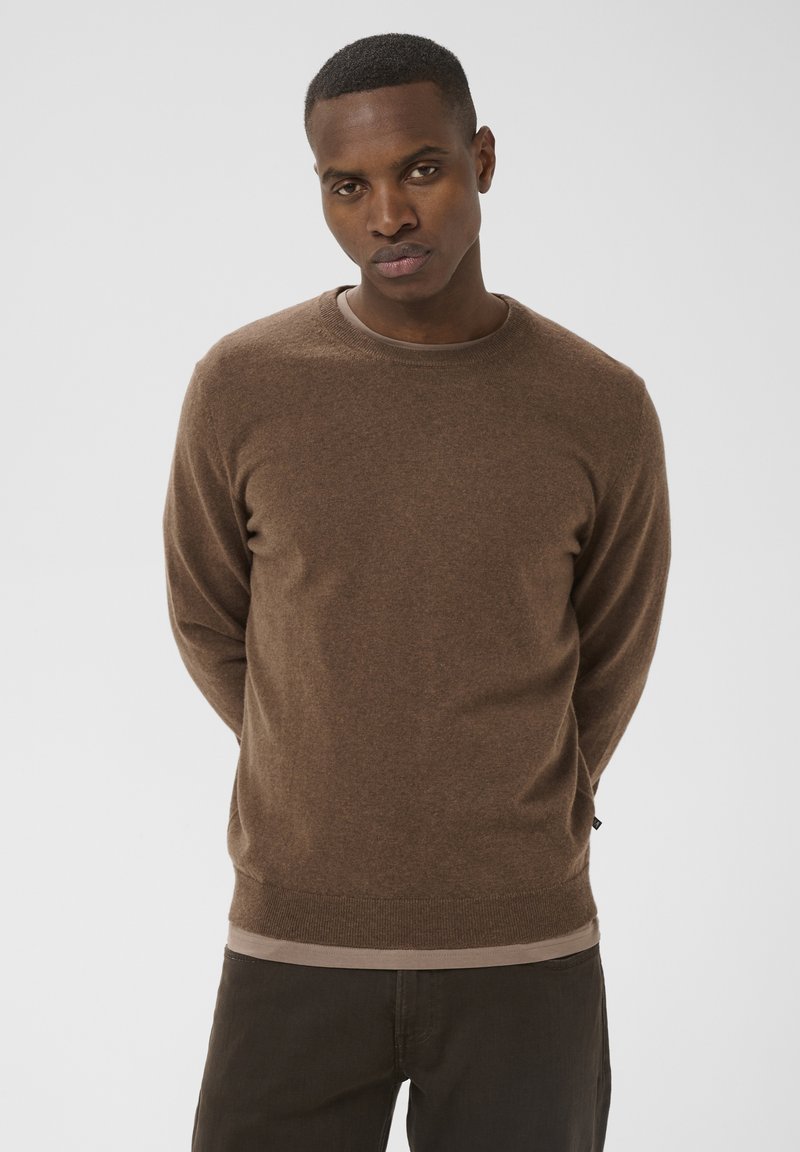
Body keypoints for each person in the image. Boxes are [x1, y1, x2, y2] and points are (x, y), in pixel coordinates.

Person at [162, 31, 671, 1152]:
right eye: (346, 186)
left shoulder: (600, 406)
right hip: (295, 932)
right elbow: (206, 614)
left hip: (523, 943)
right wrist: (317, 754)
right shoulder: (243, 386)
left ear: (481, 159)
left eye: (421, 170)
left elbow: (613, 646)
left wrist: (528, 793)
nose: (387, 215)